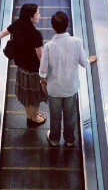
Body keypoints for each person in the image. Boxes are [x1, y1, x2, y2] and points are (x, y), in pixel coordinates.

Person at [39, 11, 97, 147]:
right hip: (71, 87)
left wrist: (43, 82)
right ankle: (70, 139)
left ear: (53, 27)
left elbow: (43, 70)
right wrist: (90, 60)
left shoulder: (48, 46)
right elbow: (83, 62)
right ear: (67, 25)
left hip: (54, 89)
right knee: (70, 115)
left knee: (55, 116)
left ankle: (54, 139)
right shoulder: (76, 42)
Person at [0, 3, 47, 126]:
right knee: (35, 94)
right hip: (34, 71)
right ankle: (34, 117)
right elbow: (41, 57)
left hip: (21, 69)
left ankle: (29, 115)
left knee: (25, 93)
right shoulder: (35, 34)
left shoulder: (18, 24)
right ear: (31, 17)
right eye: (37, 13)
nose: (39, 16)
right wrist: (46, 73)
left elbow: (8, 30)